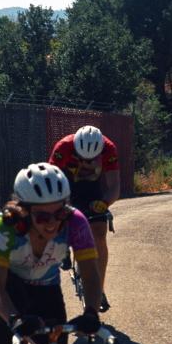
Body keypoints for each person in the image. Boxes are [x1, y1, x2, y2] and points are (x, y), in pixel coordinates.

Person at [0, 162, 103, 344]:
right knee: (11, 300)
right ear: (24, 212)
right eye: (42, 217)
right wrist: (13, 319)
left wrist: (91, 312)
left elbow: (91, 273)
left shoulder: (76, 222)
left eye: (58, 214)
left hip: (47, 289)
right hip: (10, 286)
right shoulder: (6, 226)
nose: (52, 224)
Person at [48, 125, 119, 312]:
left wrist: (105, 202)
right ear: (75, 149)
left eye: (91, 160)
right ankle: (64, 243)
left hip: (92, 194)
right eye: (81, 159)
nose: (86, 163)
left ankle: (99, 287)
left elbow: (114, 186)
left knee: (100, 236)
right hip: (65, 190)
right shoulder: (63, 147)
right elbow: (51, 181)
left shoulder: (109, 149)